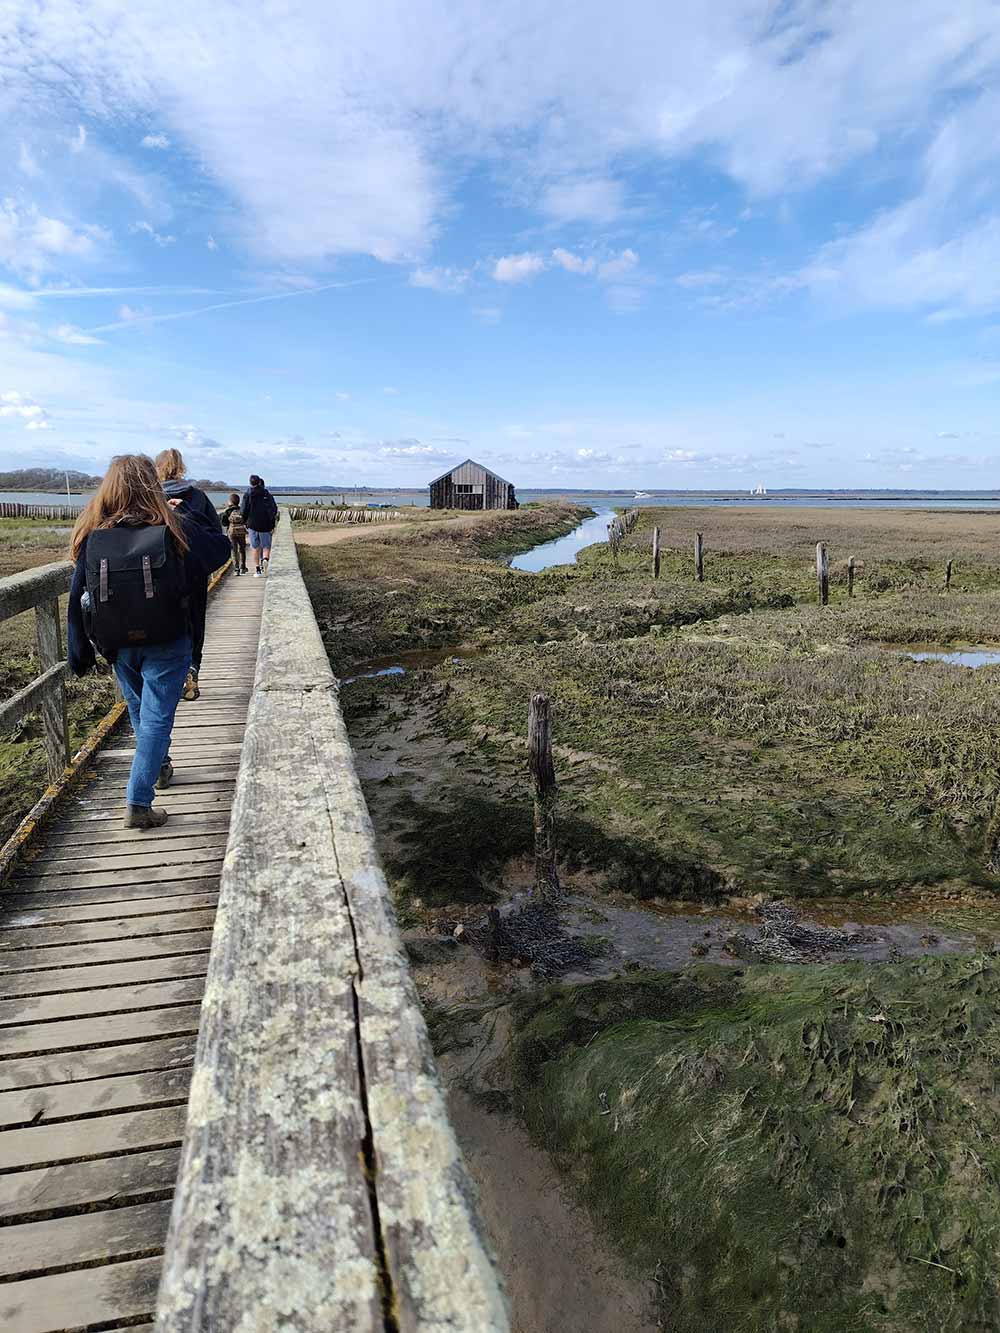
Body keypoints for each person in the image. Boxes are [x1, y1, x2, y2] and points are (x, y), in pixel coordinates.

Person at [67, 454, 231, 829]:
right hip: (168, 638)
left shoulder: (94, 532)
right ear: (150, 485)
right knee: (156, 718)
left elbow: (78, 593)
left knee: (141, 711)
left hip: (116, 643)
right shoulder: (172, 527)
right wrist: (185, 515)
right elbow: (219, 552)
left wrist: (77, 649)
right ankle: (138, 802)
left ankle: (158, 768)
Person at [155, 448, 224, 700]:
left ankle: (166, 679)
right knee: (194, 622)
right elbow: (215, 535)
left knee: (163, 623)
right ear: (182, 468)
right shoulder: (198, 497)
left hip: (157, 575)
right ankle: (191, 671)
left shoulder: (149, 498)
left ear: (157, 469)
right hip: (194, 573)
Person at [241, 474, 279, 576]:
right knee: (266, 546)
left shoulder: (247, 494)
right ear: (259, 482)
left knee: (255, 547)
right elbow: (274, 509)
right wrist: (272, 523)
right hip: (265, 524)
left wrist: (244, 522)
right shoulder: (267, 494)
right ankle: (265, 559)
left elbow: (243, 510)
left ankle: (257, 570)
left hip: (252, 524)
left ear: (250, 483)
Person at [220, 491, 248, 575]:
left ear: (231, 502)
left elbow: (223, 523)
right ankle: (243, 567)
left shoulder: (227, 511)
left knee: (234, 550)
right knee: (242, 549)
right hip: (241, 532)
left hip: (231, 532)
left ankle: (236, 569)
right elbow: (245, 520)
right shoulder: (241, 510)